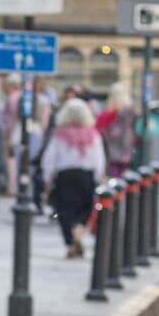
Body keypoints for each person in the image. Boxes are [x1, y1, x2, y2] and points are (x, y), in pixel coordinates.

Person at [41, 99, 106, 257]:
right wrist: (99, 176)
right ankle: (78, 231)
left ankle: (70, 243)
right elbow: (99, 159)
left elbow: (49, 158)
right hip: (86, 176)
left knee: (63, 210)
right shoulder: (93, 134)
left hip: (65, 177)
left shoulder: (59, 134)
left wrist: (47, 177)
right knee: (85, 207)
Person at [96, 82, 139, 180]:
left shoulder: (111, 109)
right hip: (125, 141)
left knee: (113, 169)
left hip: (113, 141)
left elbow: (100, 125)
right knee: (121, 169)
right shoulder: (130, 108)